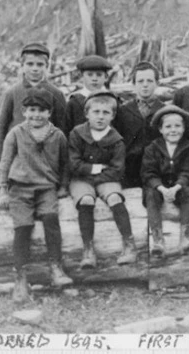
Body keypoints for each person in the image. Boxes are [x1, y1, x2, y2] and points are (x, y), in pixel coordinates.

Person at [0, 87, 72, 302]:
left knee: (51, 218)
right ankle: (20, 279)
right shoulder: (16, 133)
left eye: (41, 110)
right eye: (31, 109)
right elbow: (6, 161)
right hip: (20, 188)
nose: (36, 114)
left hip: (46, 187)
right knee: (23, 227)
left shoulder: (57, 136)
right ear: (24, 111)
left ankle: (56, 268)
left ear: (49, 113)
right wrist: (3, 189)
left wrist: (63, 186)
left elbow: (65, 164)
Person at [68, 90, 136, 268]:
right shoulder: (77, 134)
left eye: (106, 113)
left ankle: (129, 245)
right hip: (81, 179)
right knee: (86, 200)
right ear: (86, 114)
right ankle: (88, 250)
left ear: (113, 116)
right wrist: (96, 168)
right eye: (96, 112)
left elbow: (117, 170)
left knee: (114, 197)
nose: (100, 117)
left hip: (106, 179)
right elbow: (73, 165)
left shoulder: (116, 140)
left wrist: (96, 178)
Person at [0, 43, 67, 167]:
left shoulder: (56, 94)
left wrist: (63, 159)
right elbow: (1, 126)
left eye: (40, 64)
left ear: (47, 66)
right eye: (30, 64)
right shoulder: (12, 93)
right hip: (17, 153)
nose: (35, 68)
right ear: (22, 66)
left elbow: (63, 127)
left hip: (46, 155)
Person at [141, 105, 189, 255]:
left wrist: (177, 187)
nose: (173, 130)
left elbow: (188, 171)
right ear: (160, 129)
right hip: (158, 186)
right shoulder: (152, 148)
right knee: (151, 195)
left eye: (177, 126)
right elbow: (148, 173)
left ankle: (185, 237)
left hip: (179, 186)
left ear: (184, 128)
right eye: (168, 126)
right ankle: (158, 239)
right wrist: (160, 188)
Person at [115, 61, 166, 188]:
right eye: (140, 81)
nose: (145, 85)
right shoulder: (123, 110)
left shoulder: (164, 110)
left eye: (149, 81)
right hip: (130, 170)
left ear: (157, 83)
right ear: (133, 84)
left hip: (157, 169)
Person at [65, 55, 113, 131]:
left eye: (99, 75)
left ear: (106, 77)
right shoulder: (74, 102)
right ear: (82, 76)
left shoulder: (113, 99)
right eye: (90, 75)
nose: (94, 79)